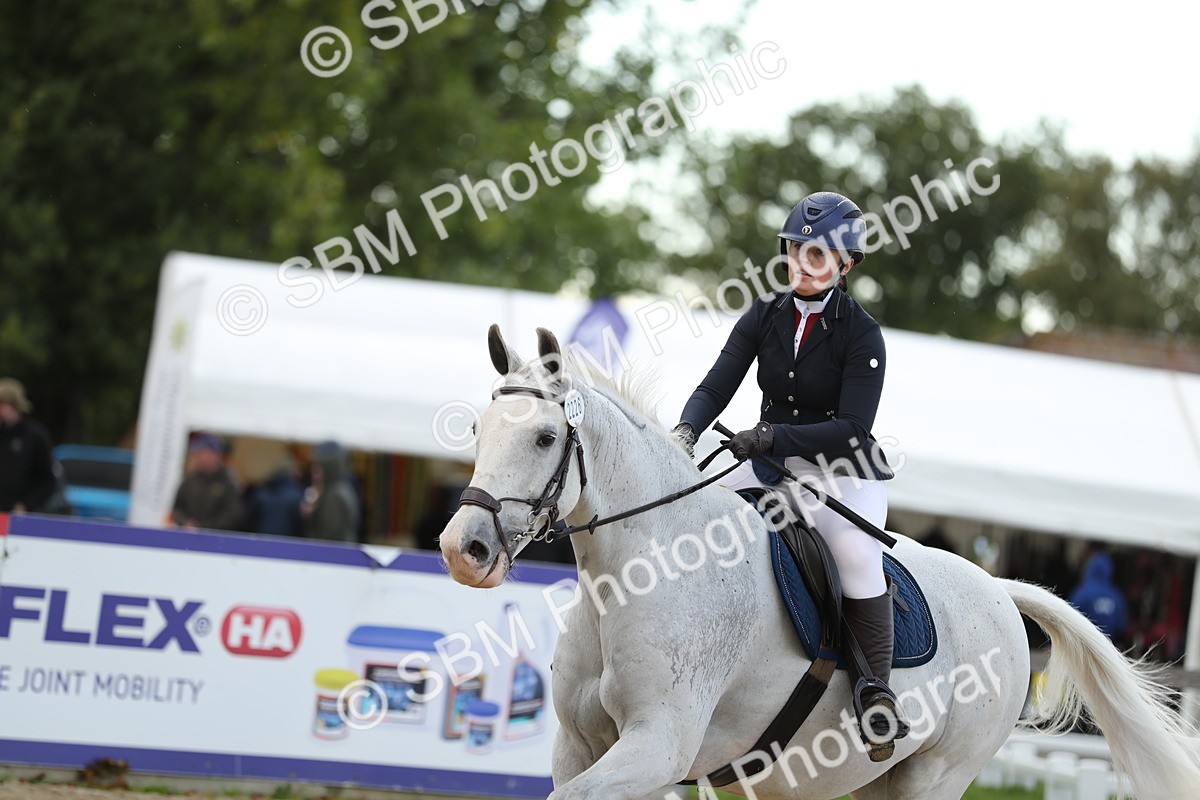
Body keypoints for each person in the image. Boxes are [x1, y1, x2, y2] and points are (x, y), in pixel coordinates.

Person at [673, 191, 906, 759]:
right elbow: (716, 383)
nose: (802, 264)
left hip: (841, 472)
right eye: (795, 251)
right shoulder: (765, 314)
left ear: (845, 265)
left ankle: (875, 694)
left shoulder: (862, 334)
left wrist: (775, 436)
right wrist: (683, 432)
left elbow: (852, 428)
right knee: (691, 520)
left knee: (854, 558)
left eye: (818, 256)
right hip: (766, 463)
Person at [0, 378, 57, 514]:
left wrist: (26, 505)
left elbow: (47, 481)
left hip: (18, 515)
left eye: (2, 403)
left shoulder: (35, 436)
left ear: (15, 405)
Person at [171, 435, 242, 531]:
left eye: (206, 453)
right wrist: (185, 522)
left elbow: (230, 515)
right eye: (199, 454)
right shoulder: (190, 480)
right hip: (188, 534)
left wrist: (203, 526)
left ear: (217, 455)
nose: (202, 458)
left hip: (215, 537)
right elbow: (177, 507)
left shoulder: (228, 483)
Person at [300, 440, 360, 543]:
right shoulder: (340, 489)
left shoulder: (334, 495)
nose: (313, 472)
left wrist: (312, 515)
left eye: (317, 467)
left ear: (328, 468)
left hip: (331, 555)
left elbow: (328, 537)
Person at [1069, 551, 1128, 644]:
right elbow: (1121, 626)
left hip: (1082, 646)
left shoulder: (1082, 592)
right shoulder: (1116, 596)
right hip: (1106, 648)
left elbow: (1069, 619)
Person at [243, 455, 304, 537]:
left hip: (261, 541)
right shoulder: (297, 495)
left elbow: (249, 523)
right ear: (292, 473)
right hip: (287, 544)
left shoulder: (261, 492)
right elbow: (300, 527)